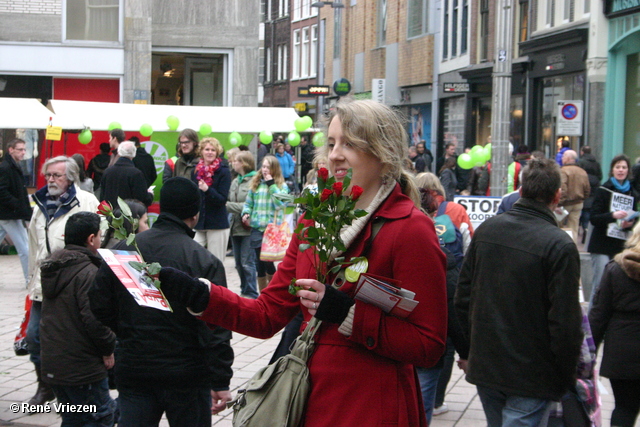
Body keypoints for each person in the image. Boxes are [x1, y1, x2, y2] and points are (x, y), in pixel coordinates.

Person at [157, 99, 448, 426]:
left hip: (372, 407)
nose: (335, 153)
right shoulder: (315, 221)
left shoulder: (410, 229)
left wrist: (348, 314)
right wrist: (201, 295)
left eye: (350, 143)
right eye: (332, 142)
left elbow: (429, 345)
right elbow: (267, 315)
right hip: (312, 401)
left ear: (383, 154)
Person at [90, 177, 234, 427]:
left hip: (136, 367)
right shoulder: (204, 260)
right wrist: (220, 380)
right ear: (195, 214)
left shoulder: (126, 251)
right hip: (187, 372)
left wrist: (126, 329)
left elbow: (99, 303)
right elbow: (217, 325)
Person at [455, 158, 584, 427]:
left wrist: (467, 351)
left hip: (490, 364)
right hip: (532, 373)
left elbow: (463, 297)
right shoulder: (559, 245)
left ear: (521, 190)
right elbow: (565, 321)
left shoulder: (488, 229)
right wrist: (566, 374)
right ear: (557, 196)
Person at [27, 156, 99, 406]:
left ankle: (73, 390)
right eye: (48, 175)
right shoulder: (40, 204)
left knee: (72, 338)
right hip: (44, 282)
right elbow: (34, 245)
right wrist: (31, 279)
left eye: (56, 175)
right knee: (34, 336)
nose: (50, 180)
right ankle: (45, 385)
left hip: (75, 280)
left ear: (71, 177)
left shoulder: (87, 201)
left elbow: (100, 238)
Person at [40, 212, 117, 426]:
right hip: (83, 368)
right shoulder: (89, 273)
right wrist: (108, 348)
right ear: (91, 239)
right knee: (99, 417)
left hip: (55, 362)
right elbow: (94, 320)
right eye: (100, 236)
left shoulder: (55, 268)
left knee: (73, 418)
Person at [416, 188, 470, 422]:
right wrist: (467, 352)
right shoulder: (443, 261)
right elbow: (453, 309)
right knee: (421, 406)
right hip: (426, 349)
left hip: (392, 347)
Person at [589, 221, 640, 427]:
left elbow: (599, 315)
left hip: (623, 351)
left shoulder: (616, 269)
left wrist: (588, 353)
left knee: (624, 408)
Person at [588, 154, 637, 305]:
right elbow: (594, 218)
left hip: (620, 244)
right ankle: (590, 323)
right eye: (617, 167)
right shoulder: (603, 190)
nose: (621, 170)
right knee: (600, 285)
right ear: (612, 170)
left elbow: (635, 217)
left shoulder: (633, 193)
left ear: (628, 170)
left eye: (624, 167)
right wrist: (612, 215)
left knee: (617, 285)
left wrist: (631, 222)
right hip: (601, 244)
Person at [241, 154, 289, 291]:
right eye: (263, 166)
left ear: (274, 169)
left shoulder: (282, 186)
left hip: (272, 230)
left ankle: (273, 289)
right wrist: (245, 213)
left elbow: (280, 205)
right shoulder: (256, 184)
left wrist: (271, 185)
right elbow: (248, 204)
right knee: (259, 263)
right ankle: (262, 292)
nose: (265, 169)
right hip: (257, 227)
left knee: (268, 261)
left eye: (268, 167)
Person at [193, 137, 232, 263]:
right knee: (192, 254)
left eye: (213, 150)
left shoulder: (224, 171)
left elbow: (222, 199)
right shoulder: (196, 170)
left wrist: (207, 189)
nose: (209, 152)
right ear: (202, 152)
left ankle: (216, 283)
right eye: (207, 149)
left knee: (216, 263)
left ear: (217, 153)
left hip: (217, 224)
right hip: (199, 223)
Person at [227, 150, 258, 298]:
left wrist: (229, 206)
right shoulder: (235, 181)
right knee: (238, 263)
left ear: (244, 163)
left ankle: (251, 292)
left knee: (247, 263)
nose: (233, 163)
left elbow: (250, 205)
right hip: (235, 226)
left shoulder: (255, 181)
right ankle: (243, 290)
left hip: (248, 228)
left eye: (236, 161)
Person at [0, 138, 32, 284]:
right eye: (20, 149)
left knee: (24, 246)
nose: (23, 152)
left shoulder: (12, 166)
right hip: (10, 213)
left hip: (9, 212)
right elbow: (2, 191)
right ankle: (29, 278)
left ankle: (29, 277)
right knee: (24, 247)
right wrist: (17, 205)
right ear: (11, 150)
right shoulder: (7, 167)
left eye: (24, 149)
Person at [100, 140, 153, 207]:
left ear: (119, 152)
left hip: (111, 214)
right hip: (130, 214)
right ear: (134, 154)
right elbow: (143, 199)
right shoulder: (136, 174)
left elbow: (102, 197)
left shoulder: (107, 172)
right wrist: (150, 194)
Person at [558, 149, 590, 242]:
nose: (562, 158)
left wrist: (559, 203)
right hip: (578, 203)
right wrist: (583, 198)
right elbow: (587, 189)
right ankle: (573, 248)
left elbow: (562, 188)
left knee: (558, 225)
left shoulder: (563, 171)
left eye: (563, 156)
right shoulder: (582, 171)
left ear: (568, 158)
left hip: (564, 204)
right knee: (574, 228)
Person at [579, 146, 603, 243]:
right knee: (589, 208)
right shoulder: (596, 163)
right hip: (595, 185)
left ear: (582, 152)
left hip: (584, 185)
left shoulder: (581, 162)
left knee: (584, 209)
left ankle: (585, 227)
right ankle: (587, 227)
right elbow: (600, 175)